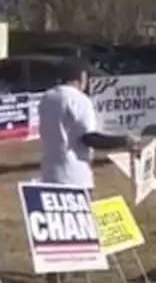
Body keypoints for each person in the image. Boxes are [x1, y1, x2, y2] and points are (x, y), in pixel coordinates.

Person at [38, 58, 129, 189]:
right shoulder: (79, 99)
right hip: (75, 175)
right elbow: (89, 138)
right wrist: (124, 141)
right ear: (81, 77)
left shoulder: (47, 98)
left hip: (50, 174)